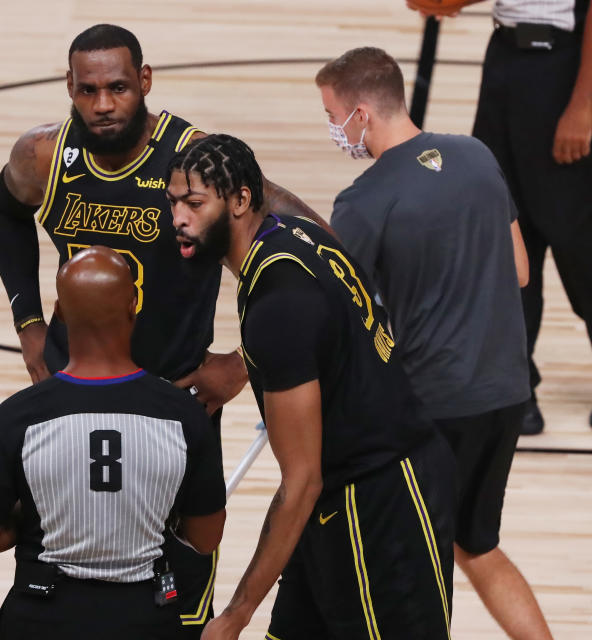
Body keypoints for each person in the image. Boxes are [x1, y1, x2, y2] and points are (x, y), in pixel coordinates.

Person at [0, 22, 328, 633]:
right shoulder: (44, 156)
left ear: (144, 81)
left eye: (117, 87)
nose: (102, 105)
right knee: (60, 587)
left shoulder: (195, 160)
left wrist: (246, 361)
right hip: (73, 404)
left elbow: (310, 246)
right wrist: (27, 319)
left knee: (180, 599)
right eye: (87, 90)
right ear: (68, 86)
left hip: (173, 404)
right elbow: (5, 208)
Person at [166, 134, 457, 640]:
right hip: (336, 505)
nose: (179, 219)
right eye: (173, 203)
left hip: (380, 507)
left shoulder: (280, 305)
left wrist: (235, 613)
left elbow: (301, 482)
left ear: (239, 201)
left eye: (194, 203)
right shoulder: (295, 232)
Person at [315, 46, 553, 640]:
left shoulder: (363, 202)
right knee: (476, 545)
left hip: (434, 409)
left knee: (416, 565)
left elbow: (333, 317)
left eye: (331, 114)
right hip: (504, 394)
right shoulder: (476, 156)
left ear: (362, 113)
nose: (332, 128)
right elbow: (521, 269)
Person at [0, 246, 227, 640]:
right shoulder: (183, 416)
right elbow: (206, 538)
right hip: (145, 619)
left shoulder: (17, 416)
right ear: (135, 305)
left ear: (60, 312)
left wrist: (30, 519)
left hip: (41, 617)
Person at [415, 0, 592, 433]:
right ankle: (517, 387)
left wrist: (584, 108)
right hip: (505, 61)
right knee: (504, 234)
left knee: (578, 241)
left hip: (565, 66)